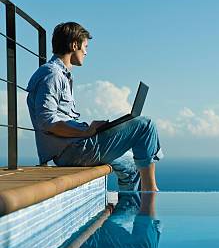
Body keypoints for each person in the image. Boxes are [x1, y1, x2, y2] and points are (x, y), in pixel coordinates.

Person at [26, 22, 162, 191]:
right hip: (72, 151)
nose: (86, 52)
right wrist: (86, 132)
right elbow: (47, 122)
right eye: (85, 46)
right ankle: (151, 192)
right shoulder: (52, 75)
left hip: (76, 146)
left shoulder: (60, 75)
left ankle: (128, 213)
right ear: (74, 45)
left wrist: (92, 130)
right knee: (145, 125)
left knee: (131, 166)